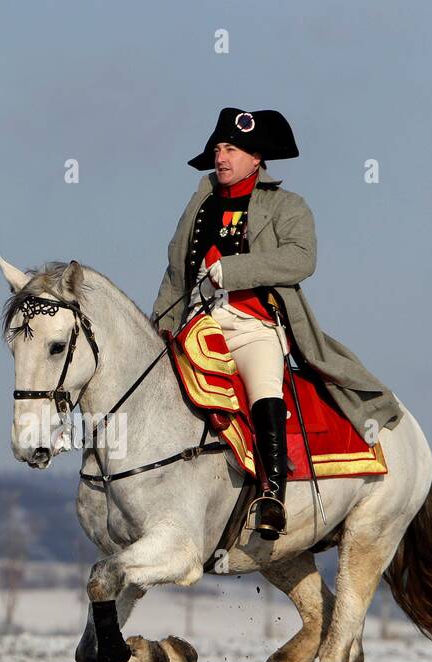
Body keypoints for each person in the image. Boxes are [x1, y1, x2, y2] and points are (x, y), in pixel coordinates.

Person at [152, 107, 403, 539]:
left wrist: (233, 271)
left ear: (256, 158)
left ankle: (272, 494)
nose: (221, 156)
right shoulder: (200, 205)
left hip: (254, 324)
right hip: (198, 322)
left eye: (231, 148)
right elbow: (177, 270)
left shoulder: (288, 206)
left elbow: (300, 260)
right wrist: (161, 323)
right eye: (217, 148)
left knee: (265, 389)